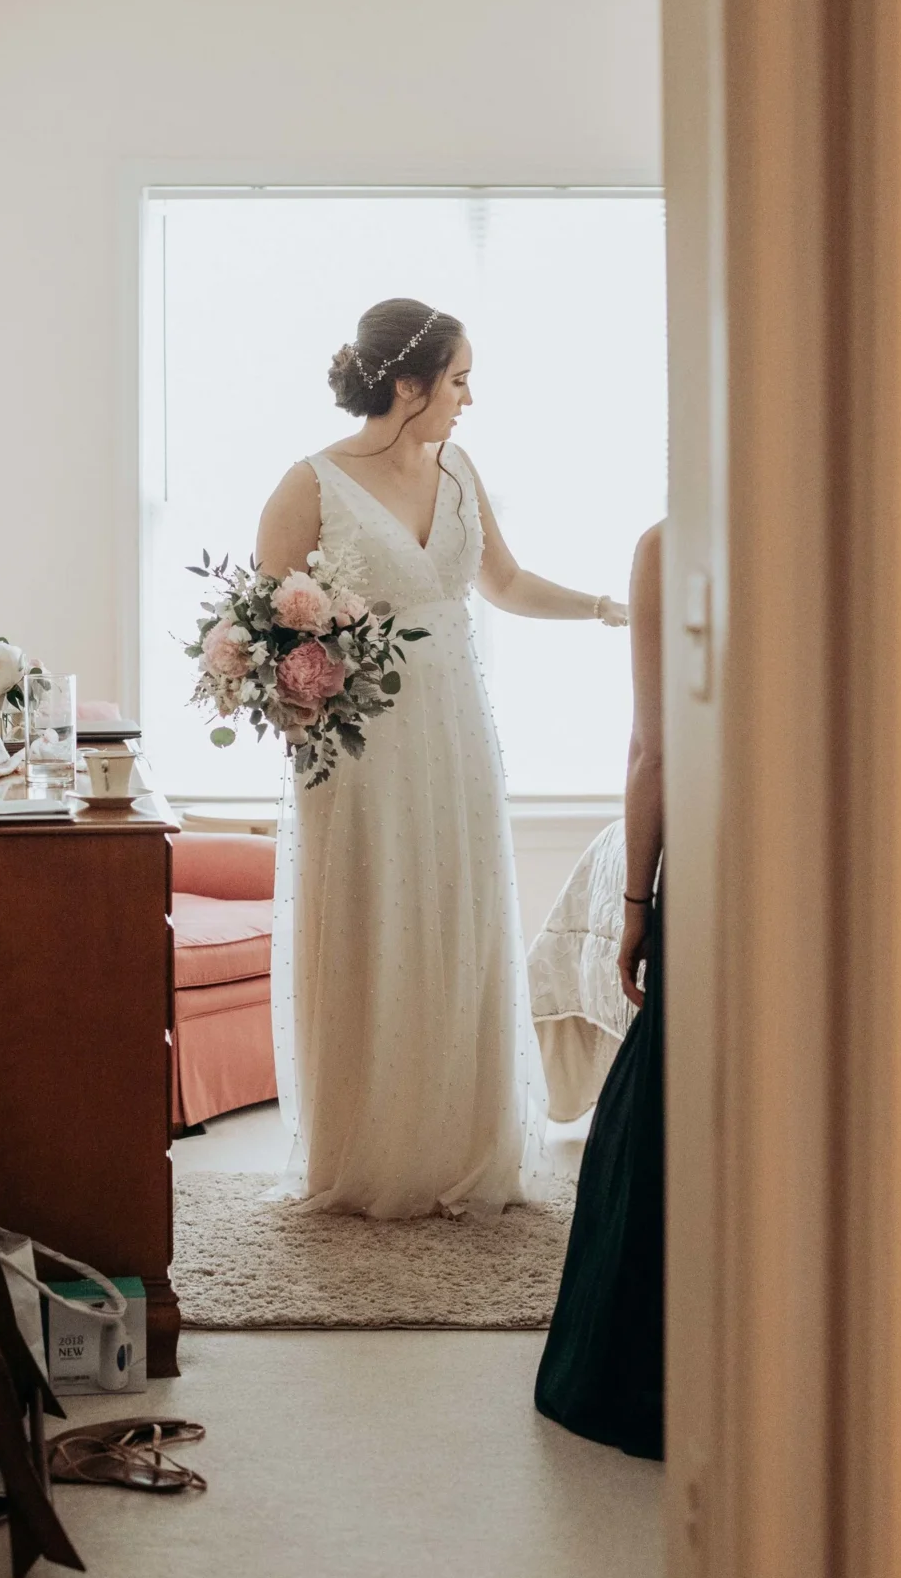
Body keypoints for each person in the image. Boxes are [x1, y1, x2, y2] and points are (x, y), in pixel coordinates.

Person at [255, 298, 627, 1219]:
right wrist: (300, 713)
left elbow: (503, 581)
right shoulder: (310, 482)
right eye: (458, 381)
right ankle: (372, 1151)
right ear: (407, 384)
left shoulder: (459, 468)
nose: (469, 399)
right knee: (373, 923)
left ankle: (460, 1145)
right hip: (357, 742)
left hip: (455, 727)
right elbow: (266, 628)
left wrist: (601, 608)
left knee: (456, 915)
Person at [534, 519, 665, 1458]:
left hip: (725, 853)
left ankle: (642, 1370)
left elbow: (652, 748)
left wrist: (636, 903)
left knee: (663, 1111)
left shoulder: (670, 547)